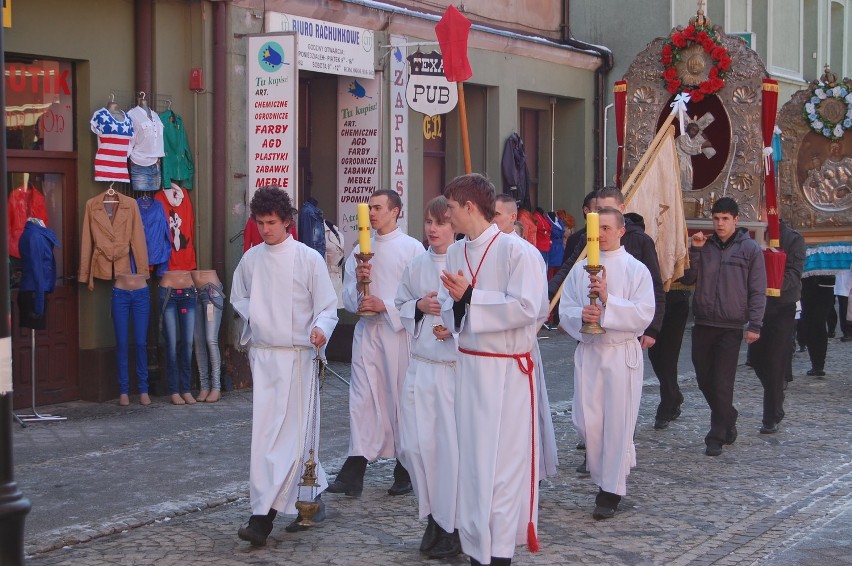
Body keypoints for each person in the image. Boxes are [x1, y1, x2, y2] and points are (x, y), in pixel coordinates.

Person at [439, 173, 548, 566]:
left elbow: (528, 309)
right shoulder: (454, 253)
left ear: (469, 207)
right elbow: (448, 303)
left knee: (503, 462)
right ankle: (474, 547)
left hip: (506, 373)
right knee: (471, 461)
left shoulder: (518, 253)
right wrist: (454, 306)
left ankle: (500, 549)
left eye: (450, 208)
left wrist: (471, 297)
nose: (446, 216)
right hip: (468, 367)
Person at [231, 186, 338, 546]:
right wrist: (258, 319)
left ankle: (262, 519)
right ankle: (311, 495)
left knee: (291, 441)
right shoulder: (251, 259)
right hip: (265, 358)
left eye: (272, 222)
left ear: (288, 222)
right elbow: (240, 297)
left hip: (297, 358)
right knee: (264, 440)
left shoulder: (307, 259)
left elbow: (327, 307)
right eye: (260, 223)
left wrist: (320, 329)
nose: (265, 230)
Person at [328, 189, 425, 497]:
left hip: (398, 335)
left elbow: (419, 296)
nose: (372, 213)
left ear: (396, 211)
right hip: (367, 333)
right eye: (369, 208)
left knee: (399, 399)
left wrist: (386, 305)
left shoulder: (412, 250)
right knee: (362, 400)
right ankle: (354, 469)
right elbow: (347, 299)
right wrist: (359, 283)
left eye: (379, 208)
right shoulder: (360, 250)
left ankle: (405, 467)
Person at [559, 207, 655, 520]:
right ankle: (606, 476)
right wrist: (580, 316)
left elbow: (644, 313)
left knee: (617, 423)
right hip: (590, 352)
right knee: (585, 422)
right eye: (596, 229)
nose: (600, 234)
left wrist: (609, 302)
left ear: (620, 231)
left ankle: (610, 491)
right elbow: (566, 311)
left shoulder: (635, 269)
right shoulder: (580, 269)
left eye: (606, 228)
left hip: (619, 352)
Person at [395, 197, 461, 560]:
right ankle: (434, 515)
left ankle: (450, 525)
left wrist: (452, 327)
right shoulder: (417, 264)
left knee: (447, 451)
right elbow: (399, 303)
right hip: (420, 365)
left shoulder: (463, 263)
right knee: (414, 447)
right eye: (429, 222)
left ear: (455, 226)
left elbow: (473, 314)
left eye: (441, 222)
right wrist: (419, 307)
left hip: (451, 371)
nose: (433, 229)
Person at [680, 197, 766, 456]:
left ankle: (716, 435)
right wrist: (694, 251)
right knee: (704, 377)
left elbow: (757, 289)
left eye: (725, 219)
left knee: (722, 382)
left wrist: (756, 324)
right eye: (716, 219)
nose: (720, 224)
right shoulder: (704, 246)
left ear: (735, 220)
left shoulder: (749, 249)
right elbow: (687, 279)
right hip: (704, 322)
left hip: (731, 325)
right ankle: (728, 413)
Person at [494, 194, 559, 481]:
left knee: (522, 416)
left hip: (518, 346)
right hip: (486, 350)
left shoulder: (524, 253)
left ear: (512, 217)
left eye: (497, 214)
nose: (492, 220)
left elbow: (537, 308)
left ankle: (529, 471)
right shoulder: (479, 249)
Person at [749, 219, 805, 434]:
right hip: (757, 306)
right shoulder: (752, 236)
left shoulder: (793, 238)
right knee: (755, 359)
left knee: (774, 360)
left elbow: (793, 274)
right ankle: (776, 393)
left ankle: (770, 415)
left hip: (782, 306)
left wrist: (768, 283)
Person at [675, 115, 716, 192]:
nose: (694, 133)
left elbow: (694, 144)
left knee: (685, 181)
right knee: (678, 182)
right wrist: (703, 145)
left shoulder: (689, 140)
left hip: (685, 164)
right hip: (678, 162)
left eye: (696, 131)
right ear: (688, 129)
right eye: (693, 129)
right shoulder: (682, 137)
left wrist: (705, 140)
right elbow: (689, 148)